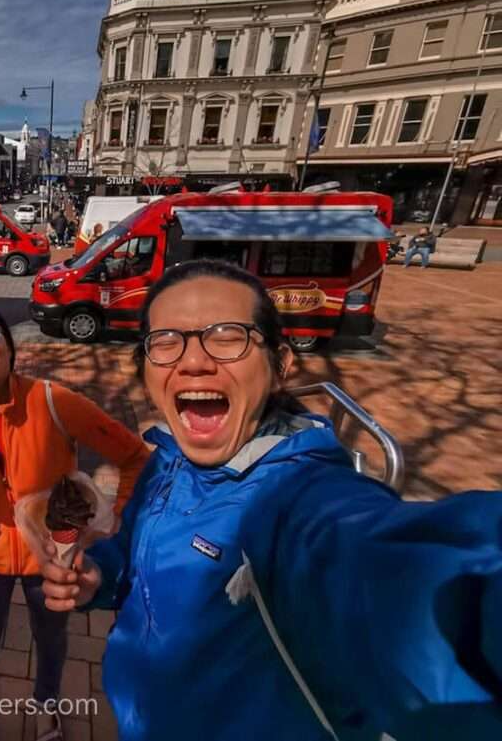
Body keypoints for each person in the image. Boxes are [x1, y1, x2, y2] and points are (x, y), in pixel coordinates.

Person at [40, 259, 502, 741]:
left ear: (280, 364)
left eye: (226, 336)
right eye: (167, 341)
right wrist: (101, 578)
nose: (193, 361)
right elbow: (135, 550)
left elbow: (411, 579)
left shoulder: (296, 502)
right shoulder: (169, 463)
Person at [0, 299, 150, 741]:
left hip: (54, 551)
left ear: (8, 347)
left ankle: (47, 706)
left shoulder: (52, 401)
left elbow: (135, 456)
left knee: (51, 639)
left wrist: (111, 526)